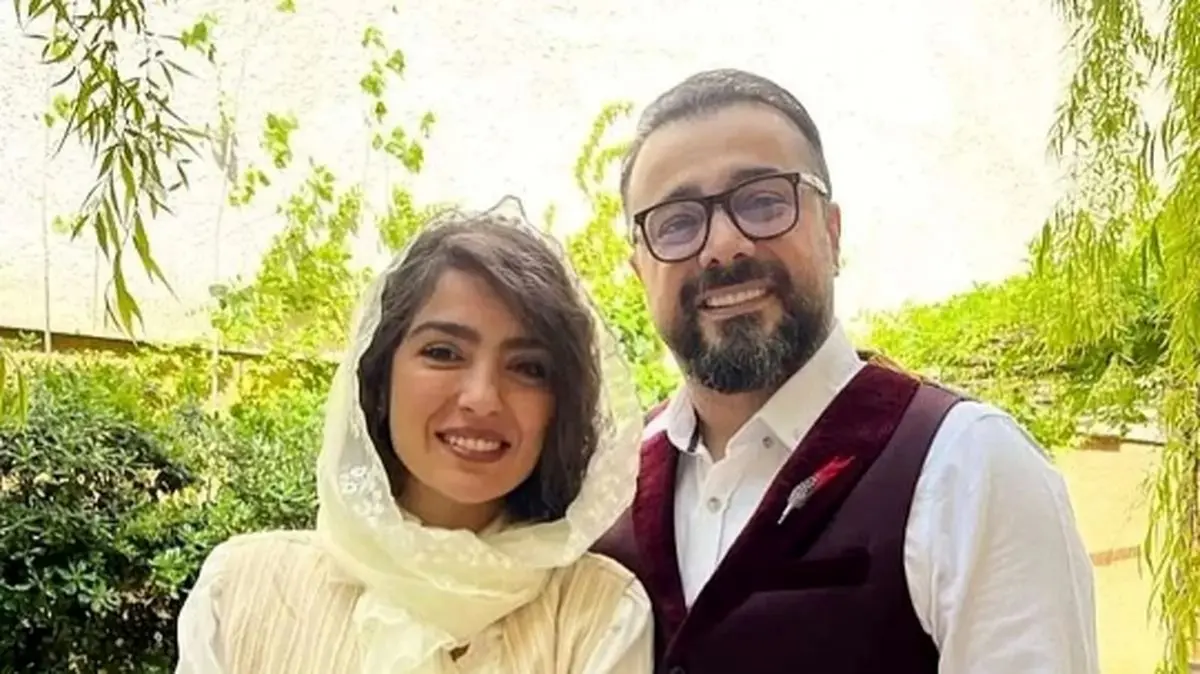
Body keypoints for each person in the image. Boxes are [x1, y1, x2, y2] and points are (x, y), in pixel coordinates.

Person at [595, 69, 1099, 674]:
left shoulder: (967, 467)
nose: (723, 245)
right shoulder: (609, 487)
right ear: (640, 270)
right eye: (677, 222)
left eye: (763, 201)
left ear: (832, 234)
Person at [175, 198, 652, 674]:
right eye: (443, 353)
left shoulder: (599, 613)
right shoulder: (239, 593)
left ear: (560, 406)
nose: (482, 398)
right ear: (380, 378)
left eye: (528, 367)